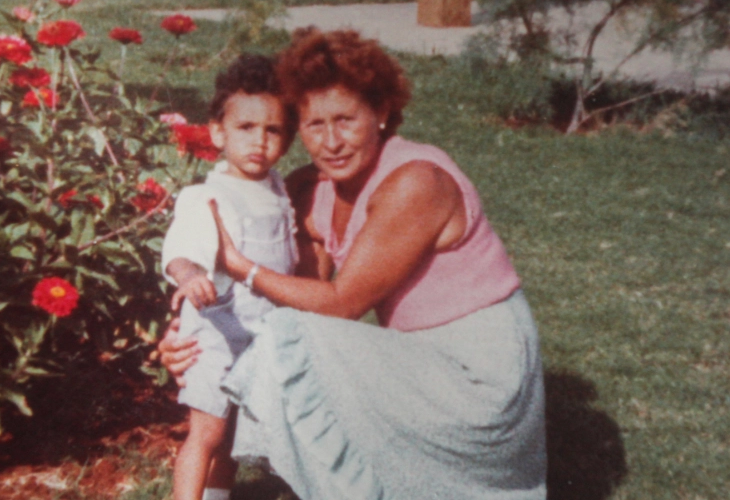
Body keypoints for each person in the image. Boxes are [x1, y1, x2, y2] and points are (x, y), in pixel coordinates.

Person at [160, 28, 547, 500]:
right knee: (288, 341)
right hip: (414, 361)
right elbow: (297, 300)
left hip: (479, 378)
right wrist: (198, 334)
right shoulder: (310, 189)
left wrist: (241, 267)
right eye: (313, 125)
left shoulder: (416, 182)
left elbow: (341, 304)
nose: (331, 142)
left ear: (381, 112)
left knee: (287, 342)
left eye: (345, 120)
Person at [161, 54, 299, 500]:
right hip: (218, 332)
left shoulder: (278, 192)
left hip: (263, 333)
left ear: (287, 139)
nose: (259, 141)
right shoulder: (208, 196)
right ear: (218, 132)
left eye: (273, 130)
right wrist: (189, 275)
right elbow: (181, 250)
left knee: (233, 436)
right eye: (246, 127)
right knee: (208, 432)